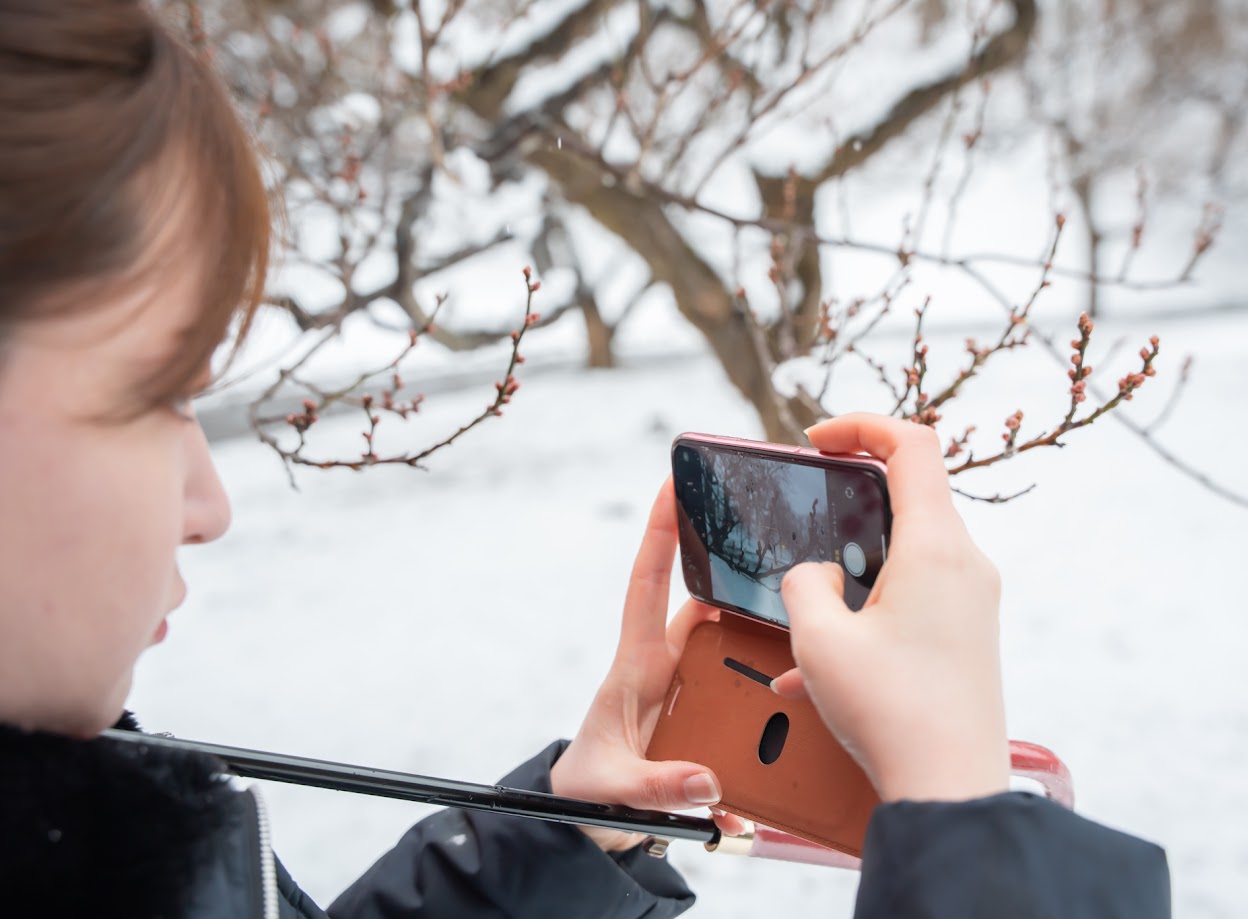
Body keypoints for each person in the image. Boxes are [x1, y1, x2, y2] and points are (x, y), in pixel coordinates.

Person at [0, 2, 1170, 917]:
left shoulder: (78, 839)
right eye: (164, 394)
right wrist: (964, 820)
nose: (209, 504)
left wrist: (566, 836)